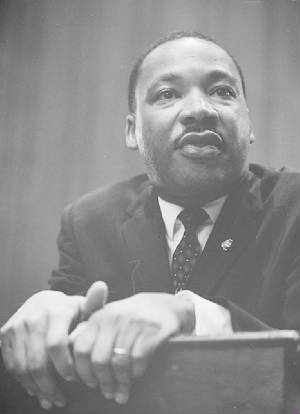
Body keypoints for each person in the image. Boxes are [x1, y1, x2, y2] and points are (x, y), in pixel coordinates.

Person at [1, 30, 299, 411]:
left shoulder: (294, 206)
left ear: (249, 123)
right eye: (167, 94)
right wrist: (51, 313)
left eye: (223, 91)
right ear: (132, 131)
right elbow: (67, 356)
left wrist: (188, 313)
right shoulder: (90, 222)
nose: (200, 109)